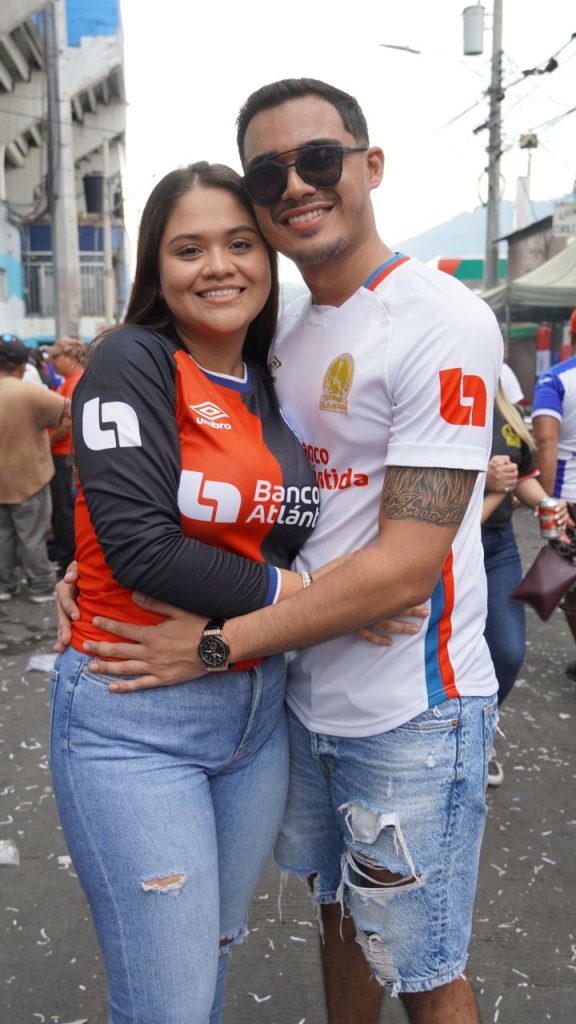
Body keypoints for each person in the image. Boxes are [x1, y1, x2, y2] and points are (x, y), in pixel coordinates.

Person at [58, 80, 503, 1024]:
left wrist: (219, 643)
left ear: (369, 165)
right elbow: (211, 508)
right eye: (270, 174)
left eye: (319, 160)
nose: (296, 184)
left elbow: (404, 567)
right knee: (338, 917)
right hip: (295, 699)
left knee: (419, 961)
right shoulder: (279, 338)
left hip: (407, 706)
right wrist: (92, 565)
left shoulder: (443, 319)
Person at [481, 384, 569, 785]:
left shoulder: (507, 410)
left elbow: (523, 475)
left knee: (508, 651)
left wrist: (547, 504)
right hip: (445, 547)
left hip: (498, 546)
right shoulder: (438, 391)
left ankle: (480, 733)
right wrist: (488, 482)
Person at [0, 335, 69, 603]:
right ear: (21, 366)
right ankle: (40, 586)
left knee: (3, 535)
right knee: (32, 535)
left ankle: (4, 585)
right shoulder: (32, 393)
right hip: (29, 476)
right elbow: (70, 411)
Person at [532, 351, 576, 679]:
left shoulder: (556, 378)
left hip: (568, 502)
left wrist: (544, 501)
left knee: (570, 587)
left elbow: (546, 440)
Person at [45, 338, 84, 574]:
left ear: (70, 358)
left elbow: (68, 423)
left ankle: (66, 556)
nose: (51, 361)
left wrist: (47, 442)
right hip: (63, 452)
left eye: (55, 356)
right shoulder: (69, 380)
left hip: (64, 453)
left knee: (64, 508)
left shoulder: (75, 381)